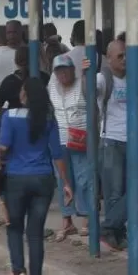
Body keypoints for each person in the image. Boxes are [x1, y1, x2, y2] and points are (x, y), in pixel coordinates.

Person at [0, 78, 73, 275]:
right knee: (35, 234)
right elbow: (57, 154)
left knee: (14, 227)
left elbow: (4, 147)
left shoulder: (9, 117)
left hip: (16, 179)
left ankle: (19, 271)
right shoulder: (48, 119)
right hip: (43, 179)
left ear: (25, 95)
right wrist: (66, 183)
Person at [85, 40, 138, 251]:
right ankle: (116, 235)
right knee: (114, 193)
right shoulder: (103, 79)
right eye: (120, 56)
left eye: (127, 55)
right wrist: (86, 76)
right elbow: (88, 94)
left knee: (136, 190)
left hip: (133, 141)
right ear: (109, 58)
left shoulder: (135, 81)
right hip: (111, 140)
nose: (125, 60)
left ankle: (108, 228)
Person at [49, 54, 92, 240]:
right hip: (60, 140)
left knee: (84, 178)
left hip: (82, 139)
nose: (63, 73)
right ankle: (67, 220)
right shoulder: (52, 88)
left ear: (72, 69)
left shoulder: (81, 83)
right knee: (63, 181)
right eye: (59, 70)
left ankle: (86, 218)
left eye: (65, 69)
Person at [0, 46, 50, 110]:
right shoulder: (44, 78)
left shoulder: (9, 81)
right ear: (36, 60)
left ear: (16, 62)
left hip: (15, 119)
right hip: (39, 118)